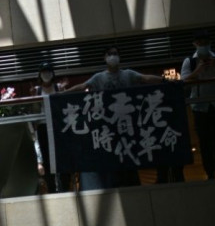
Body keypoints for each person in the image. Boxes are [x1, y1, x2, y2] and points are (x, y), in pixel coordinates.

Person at [65, 46, 164, 190]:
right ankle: (115, 184)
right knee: (113, 157)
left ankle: (132, 184)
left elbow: (145, 78)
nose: (113, 56)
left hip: (128, 125)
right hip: (109, 126)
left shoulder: (128, 74)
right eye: (110, 54)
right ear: (104, 58)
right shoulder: (99, 77)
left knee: (129, 154)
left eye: (115, 54)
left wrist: (164, 80)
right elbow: (83, 86)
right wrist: (64, 93)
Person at [180, 30, 215, 180]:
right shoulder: (189, 61)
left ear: (210, 43)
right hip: (199, 107)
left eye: (205, 43)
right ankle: (210, 174)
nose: (203, 45)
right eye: (200, 43)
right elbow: (183, 81)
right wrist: (199, 69)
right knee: (204, 142)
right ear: (195, 44)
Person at [31, 63, 69, 193]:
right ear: (40, 74)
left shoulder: (58, 88)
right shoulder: (37, 90)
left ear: (52, 73)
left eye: (48, 71)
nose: (46, 74)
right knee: (47, 158)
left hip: (58, 125)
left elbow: (65, 106)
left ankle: (64, 186)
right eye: (43, 72)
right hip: (43, 126)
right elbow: (35, 110)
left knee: (61, 155)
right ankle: (52, 188)